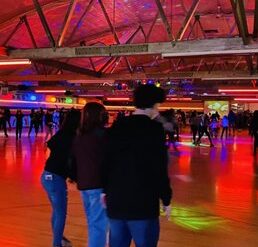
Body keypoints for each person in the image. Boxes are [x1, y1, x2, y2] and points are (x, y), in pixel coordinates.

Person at [103, 84, 172, 247]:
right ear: (154, 105)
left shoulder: (118, 126)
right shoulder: (154, 130)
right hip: (142, 203)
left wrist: (104, 190)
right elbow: (159, 168)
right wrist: (166, 198)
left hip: (116, 202)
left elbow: (106, 160)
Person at [41, 109, 81, 247]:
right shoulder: (72, 138)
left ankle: (59, 240)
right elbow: (70, 162)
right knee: (60, 214)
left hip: (46, 176)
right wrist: (75, 177)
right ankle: (57, 243)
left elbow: (51, 144)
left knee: (57, 212)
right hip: (56, 179)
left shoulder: (62, 133)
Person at [72, 102, 109, 247]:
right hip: (98, 186)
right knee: (98, 225)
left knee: (93, 223)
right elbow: (107, 161)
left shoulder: (79, 136)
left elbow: (74, 160)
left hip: (84, 185)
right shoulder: (103, 135)